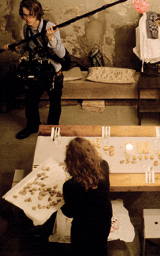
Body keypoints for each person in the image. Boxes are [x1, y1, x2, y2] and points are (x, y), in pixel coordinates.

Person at [1, 0, 65, 139]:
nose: (28, 19)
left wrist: (51, 39)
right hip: (38, 70)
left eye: (31, 15)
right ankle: (32, 126)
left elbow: (61, 54)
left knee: (55, 104)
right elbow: (29, 46)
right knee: (30, 101)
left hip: (54, 71)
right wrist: (15, 48)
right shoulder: (26, 27)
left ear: (38, 14)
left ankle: (51, 130)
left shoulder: (50, 27)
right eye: (25, 15)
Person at [61, 137, 112, 256]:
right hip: (104, 217)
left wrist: (61, 205)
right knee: (100, 245)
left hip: (84, 225)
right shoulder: (104, 165)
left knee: (81, 249)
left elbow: (69, 212)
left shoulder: (70, 186)